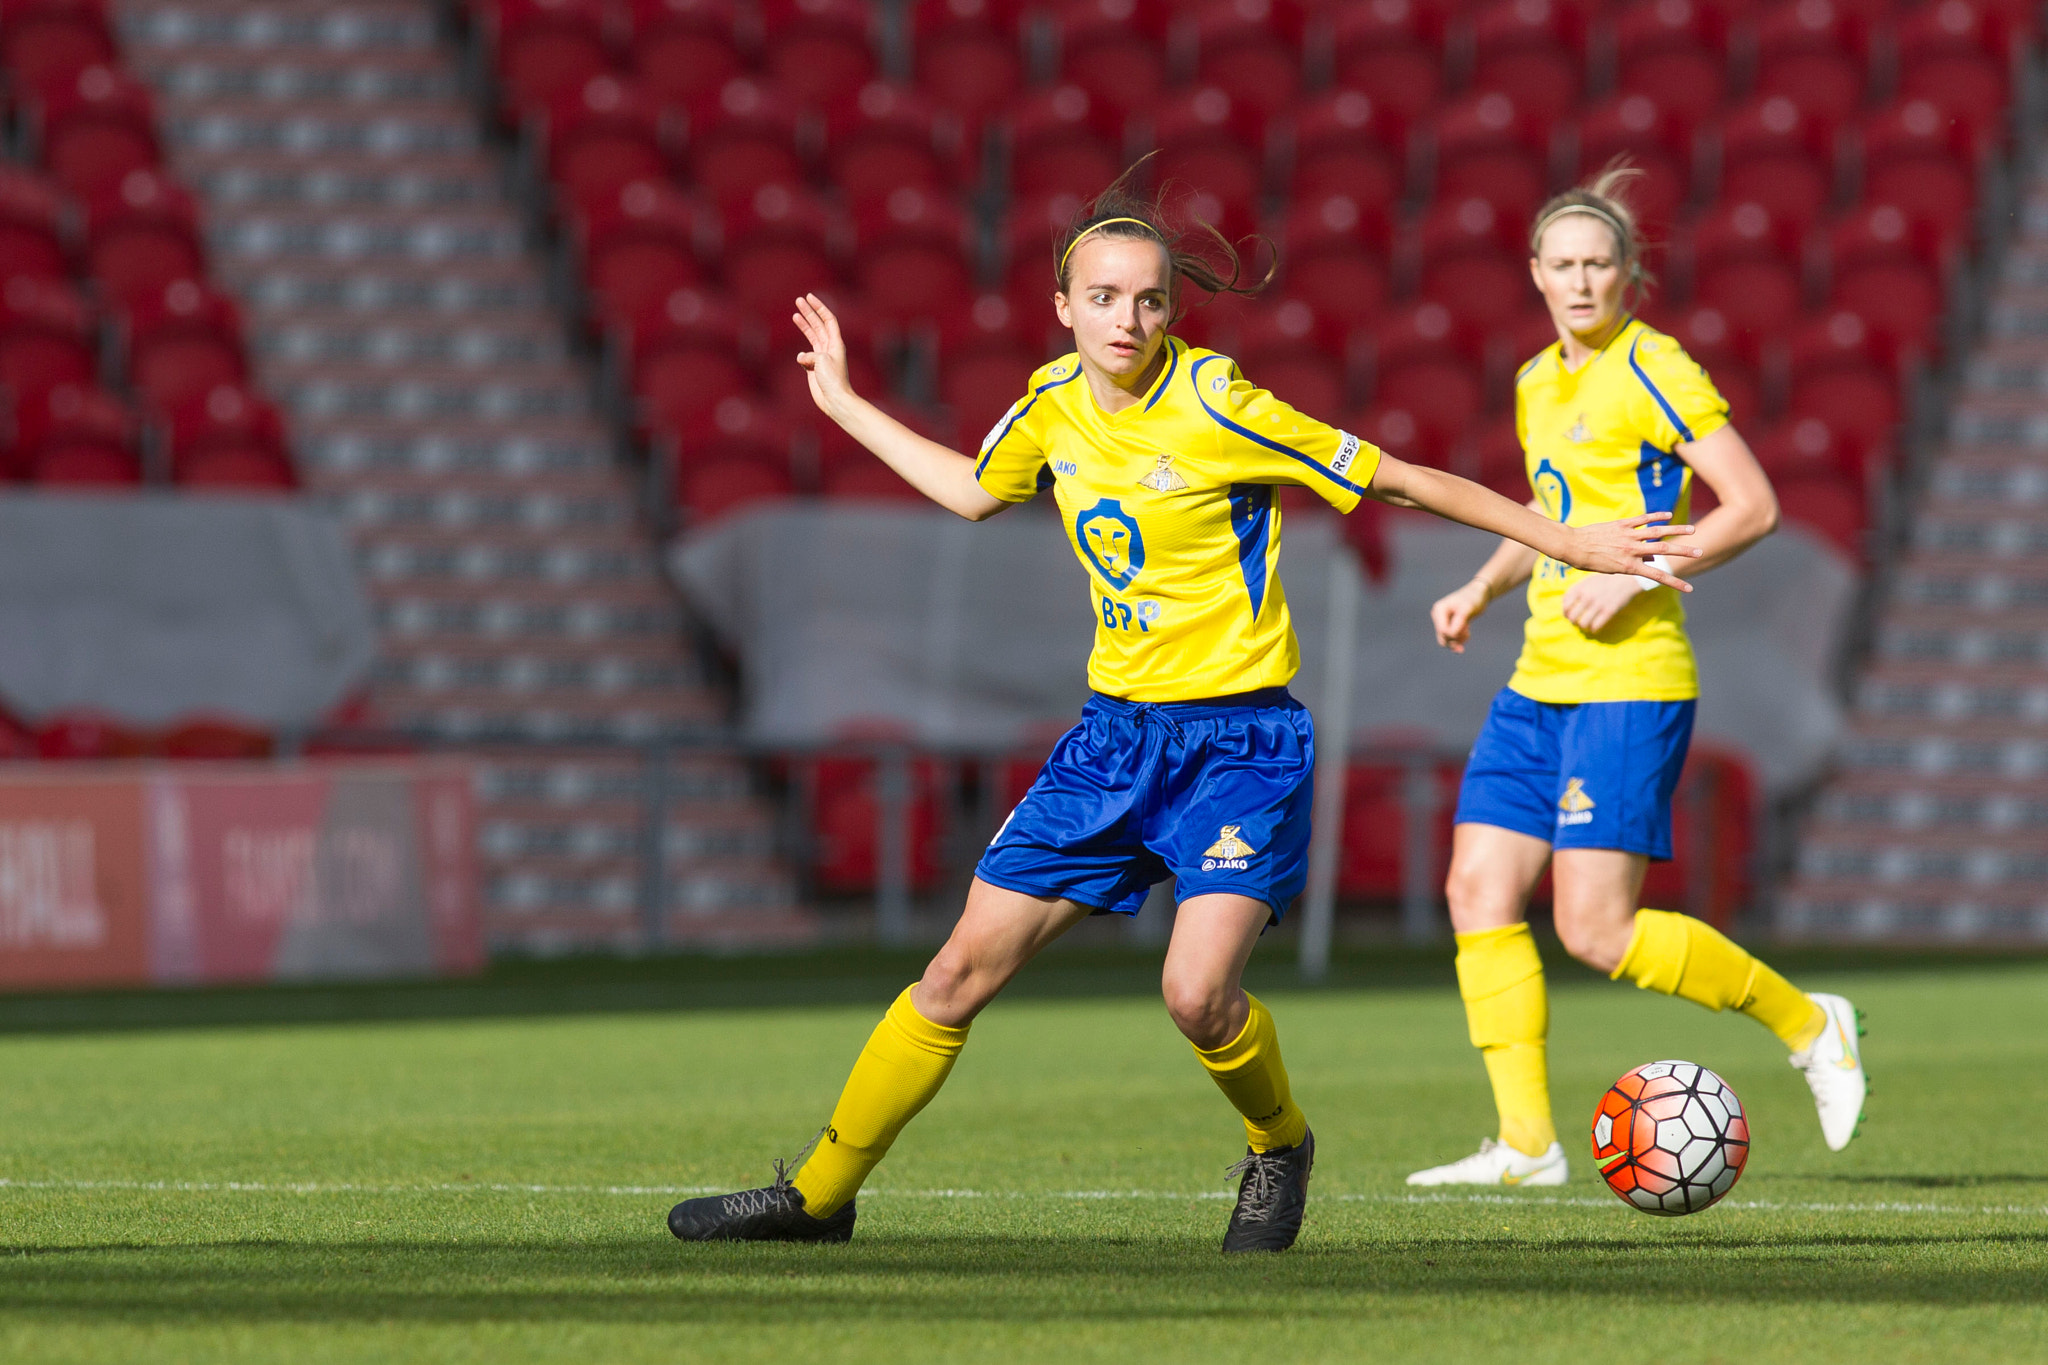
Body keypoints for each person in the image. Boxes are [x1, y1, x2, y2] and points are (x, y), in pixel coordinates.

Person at [668, 168, 1694, 1252]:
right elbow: (974, 489)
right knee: (953, 975)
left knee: (1195, 996)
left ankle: (1278, 1146)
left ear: (1172, 311)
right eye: (1103, 297)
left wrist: (1571, 543)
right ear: (1063, 306)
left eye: (1149, 300)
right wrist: (842, 403)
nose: (1128, 319)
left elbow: (1393, 477)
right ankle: (818, 1196)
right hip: (1111, 745)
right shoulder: (1049, 406)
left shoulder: (1216, 403)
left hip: (1240, 746)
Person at [1405, 167, 1868, 1190]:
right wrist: (1481, 584)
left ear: (1628, 274)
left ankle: (1807, 1023)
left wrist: (1635, 580)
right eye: (1560, 265)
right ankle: (1524, 1144)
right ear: (1533, 274)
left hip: (1628, 678)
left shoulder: (1653, 367)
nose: (1578, 282)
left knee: (1592, 929)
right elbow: (1551, 509)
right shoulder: (1536, 380)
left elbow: (1749, 506)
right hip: (1537, 679)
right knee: (1475, 889)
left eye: (1596, 264)